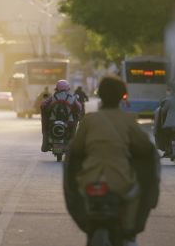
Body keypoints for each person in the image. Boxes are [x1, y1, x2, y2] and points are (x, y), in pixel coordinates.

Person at [65, 76, 160, 246]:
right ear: (123, 96)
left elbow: (76, 151)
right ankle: (129, 232)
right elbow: (146, 149)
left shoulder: (89, 121)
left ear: (100, 95)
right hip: (120, 180)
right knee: (136, 196)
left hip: (89, 181)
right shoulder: (128, 120)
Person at [40, 80, 82, 152]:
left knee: (46, 129)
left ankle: (45, 143)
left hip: (52, 121)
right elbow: (79, 108)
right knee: (73, 131)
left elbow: (43, 105)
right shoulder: (72, 97)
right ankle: (71, 144)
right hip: (69, 122)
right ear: (68, 88)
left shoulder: (53, 97)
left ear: (57, 88)